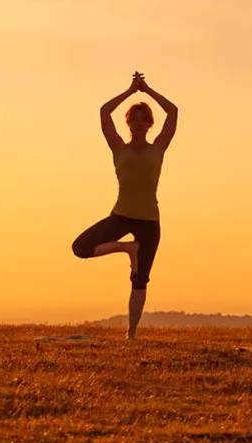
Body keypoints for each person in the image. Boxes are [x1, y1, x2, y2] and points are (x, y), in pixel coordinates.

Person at [71, 72, 178, 340]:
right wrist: (131, 91)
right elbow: (105, 112)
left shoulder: (158, 149)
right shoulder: (118, 147)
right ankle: (127, 248)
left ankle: (131, 333)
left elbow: (173, 111)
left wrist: (148, 89)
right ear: (128, 123)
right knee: (80, 248)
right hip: (121, 216)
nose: (139, 124)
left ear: (150, 124)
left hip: (149, 221)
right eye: (134, 120)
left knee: (140, 278)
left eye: (144, 120)